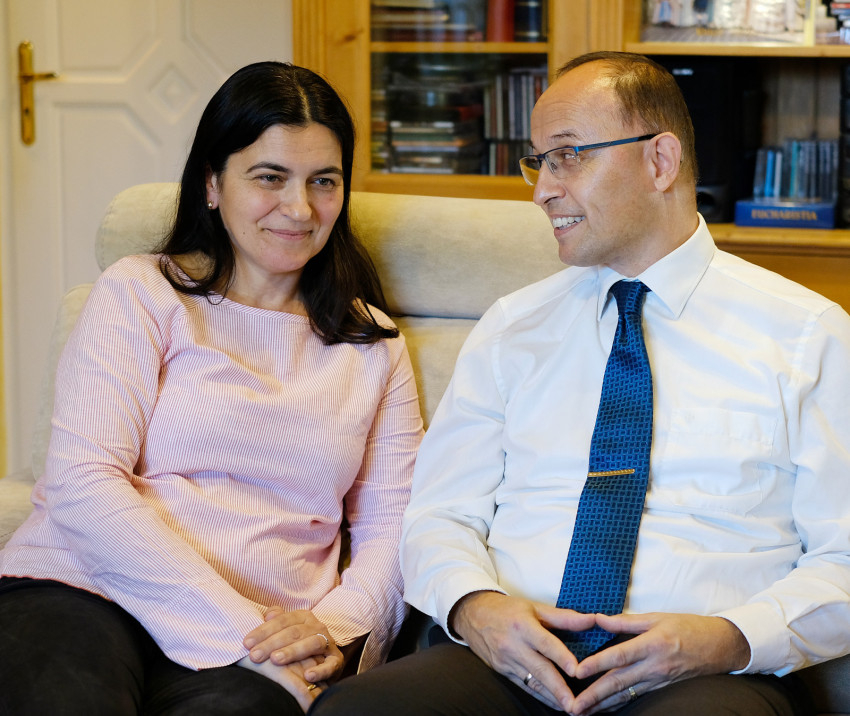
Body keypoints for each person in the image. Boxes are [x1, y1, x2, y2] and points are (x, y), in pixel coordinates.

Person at [310, 51, 850, 715]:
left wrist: (726, 638)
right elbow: (439, 515)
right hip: (513, 661)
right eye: (538, 162)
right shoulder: (512, 328)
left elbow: (845, 556)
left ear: (660, 160)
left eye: (568, 156)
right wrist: (476, 608)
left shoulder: (807, 335)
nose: (541, 190)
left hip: (704, 675)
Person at [0, 61, 423, 715]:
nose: (300, 208)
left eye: (324, 181)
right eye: (269, 177)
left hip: (266, 632)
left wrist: (331, 629)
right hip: (86, 587)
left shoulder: (373, 343)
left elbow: (393, 521)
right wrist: (239, 630)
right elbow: (83, 481)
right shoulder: (142, 292)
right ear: (211, 184)